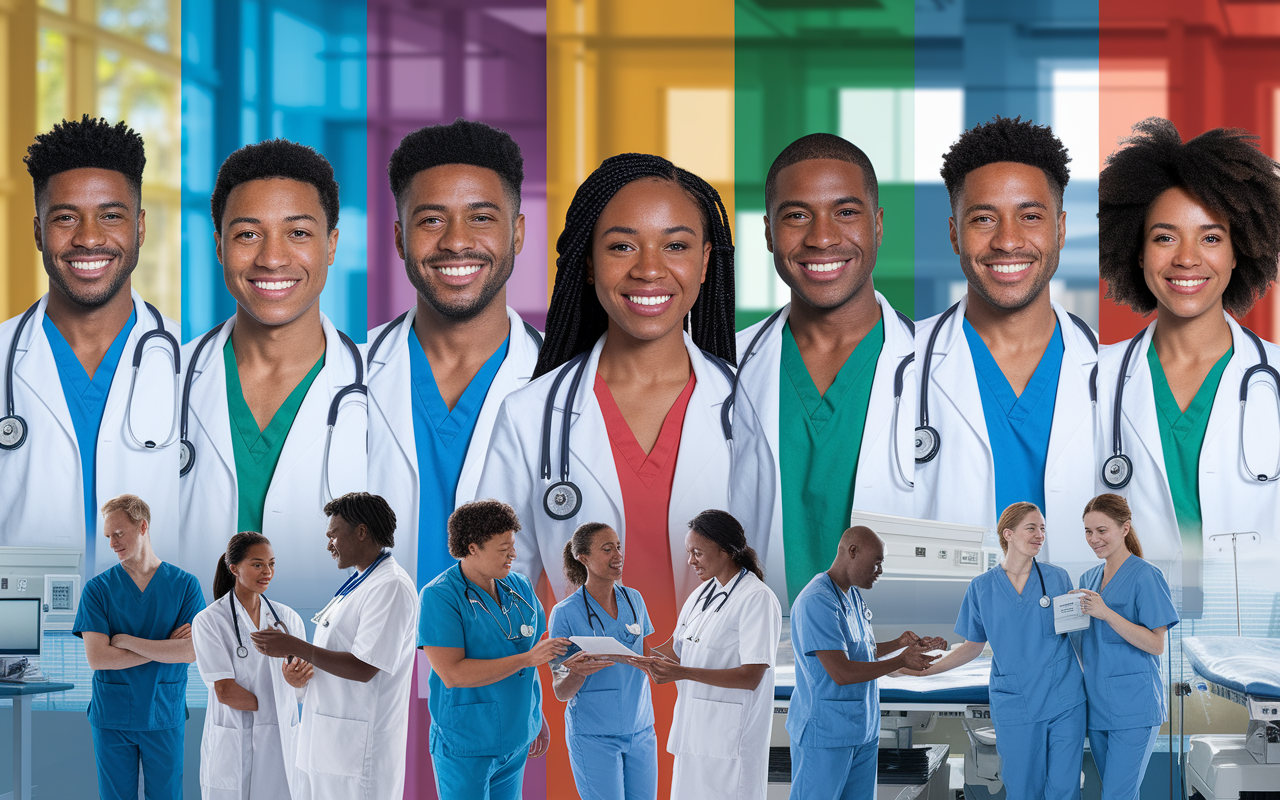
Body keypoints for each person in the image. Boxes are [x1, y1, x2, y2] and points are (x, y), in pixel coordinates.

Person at [474, 152, 770, 796]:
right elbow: (495, 596)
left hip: (713, 720)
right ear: (586, 260)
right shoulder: (530, 418)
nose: (648, 269)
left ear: (705, 262)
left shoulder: (746, 411)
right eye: (621, 245)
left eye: (676, 244)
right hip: (574, 722)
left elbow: (763, 592)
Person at [1085, 118, 1280, 613]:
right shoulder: (1090, 380)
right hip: (1129, 632)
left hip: (1254, 643)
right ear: (1138, 248)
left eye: (1211, 238)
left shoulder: (1274, 380)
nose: (1187, 259)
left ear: (1240, 252)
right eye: (1165, 237)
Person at [180, 139, 367, 623]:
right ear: (219, 245)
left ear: (331, 244)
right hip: (186, 670)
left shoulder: (383, 392)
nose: (272, 258)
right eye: (247, 235)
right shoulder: (164, 383)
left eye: (299, 232)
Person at [730, 133, 916, 608]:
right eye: (796, 215)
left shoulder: (939, 367)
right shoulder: (721, 372)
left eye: (846, 212)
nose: (822, 237)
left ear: (878, 225)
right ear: (768, 232)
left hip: (894, 655)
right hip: (758, 657)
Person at [367, 118, 543, 589]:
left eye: (481, 217)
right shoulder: (345, 377)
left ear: (518, 233)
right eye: (431, 220)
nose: (457, 241)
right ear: (401, 238)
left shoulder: (565, 389)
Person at [1, 116, 180, 577]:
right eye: (65, 218)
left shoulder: (199, 364)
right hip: (23, 641)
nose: (89, 238)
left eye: (111, 215)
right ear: (38, 231)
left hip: (161, 637)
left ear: (140, 227)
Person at [915, 117, 1097, 553]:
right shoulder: (899, 364)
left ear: (1061, 229)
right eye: (983, 219)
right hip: (946, 619)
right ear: (955, 234)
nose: (1008, 241)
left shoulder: (1115, 374)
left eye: (1030, 216)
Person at [910, 502, 1086, 800]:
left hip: (1064, 701)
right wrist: (926, 668)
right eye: (1031, 528)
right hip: (1017, 703)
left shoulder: (1057, 579)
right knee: (1022, 789)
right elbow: (972, 647)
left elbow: (1078, 639)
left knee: (1064, 789)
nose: (1040, 534)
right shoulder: (981, 588)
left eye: (1043, 528)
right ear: (1008, 534)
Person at [249, 492, 416, 800]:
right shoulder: (359, 584)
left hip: (358, 752)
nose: (328, 545)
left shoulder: (390, 586)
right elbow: (332, 661)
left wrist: (295, 645)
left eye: (333, 535)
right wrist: (299, 678)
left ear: (361, 532)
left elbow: (365, 667)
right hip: (329, 744)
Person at [417, 500, 571, 800]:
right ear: (473, 547)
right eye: (504, 548)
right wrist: (528, 658)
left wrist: (536, 716)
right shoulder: (440, 596)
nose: (513, 554)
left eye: (513, 545)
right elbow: (452, 673)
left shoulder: (520, 587)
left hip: (516, 737)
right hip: (467, 743)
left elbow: (531, 654)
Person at [629, 510, 782, 800]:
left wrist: (683, 672)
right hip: (694, 735)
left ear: (724, 550)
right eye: (689, 552)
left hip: (731, 744)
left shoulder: (756, 598)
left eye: (697, 552)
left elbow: (751, 676)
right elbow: (675, 650)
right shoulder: (702, 594)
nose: (690, 561)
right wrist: (622, 650)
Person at [787, 526, 943, 800]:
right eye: (877, 562)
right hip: (826, 734)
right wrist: (900, 660)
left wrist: (900, 643)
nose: (880, 571)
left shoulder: (852, 595)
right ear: (852, 552)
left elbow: (861, 651)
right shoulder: (817, 601)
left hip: (861, 730)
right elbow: (841, 671)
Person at [72, 493, 205, 800]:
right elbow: (99, 658)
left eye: (119, 534)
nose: (112, 544)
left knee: (167, 795)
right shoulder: (98, 590)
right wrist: (163, 648)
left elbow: (190, 652)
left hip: (163, 712)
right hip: (112, 717)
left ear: (143, 527)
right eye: (108, 536)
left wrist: (126, 641)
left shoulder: (185, 586)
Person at [191, 532, 313, 799]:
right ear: (234, 568)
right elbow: (225, 691)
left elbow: (302, 686)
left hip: (282, 741)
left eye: (271, 564)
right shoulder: (210, 621)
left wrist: (296, 682)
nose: (267, 571)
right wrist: (278, 706)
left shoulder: (288, 619)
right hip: (235, 740)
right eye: (257, 564)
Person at [1077, 494, 1179, 800]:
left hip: (1134, 709)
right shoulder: (1088, 579)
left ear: (1125, 528)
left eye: (1101, 530)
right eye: (1088, 531)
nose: (1094, 539)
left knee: (1117, 797)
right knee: (1116, 793)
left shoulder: (1146, 576)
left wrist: (1106, 613)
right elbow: (1085, 645)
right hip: (1098, 706)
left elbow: (1156, 644)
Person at [549, 522, 658, 800]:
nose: (618, 555)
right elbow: (561, 691)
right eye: (607, 549)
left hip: (641, 729)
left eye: (619, 547)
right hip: (593, 735)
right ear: (583, 558)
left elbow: (647, 659)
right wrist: (578, 673)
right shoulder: (564, 613)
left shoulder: (634, 600)